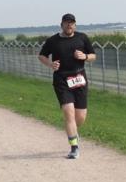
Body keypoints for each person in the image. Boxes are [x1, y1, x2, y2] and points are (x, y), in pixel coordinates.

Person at [38, 14, 96, 159]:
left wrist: (85, 57)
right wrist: (50, 64)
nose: (69, 25)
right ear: (62, 25)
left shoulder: (82, 38)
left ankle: (73, 131)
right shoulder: (53, 40)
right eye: (66, 23)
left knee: (80, 117)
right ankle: (74, 147)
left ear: (75, 25)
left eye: (72, 23)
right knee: (68, 112)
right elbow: (41, 55)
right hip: (61, 79)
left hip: (79, 78)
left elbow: (93, 55)